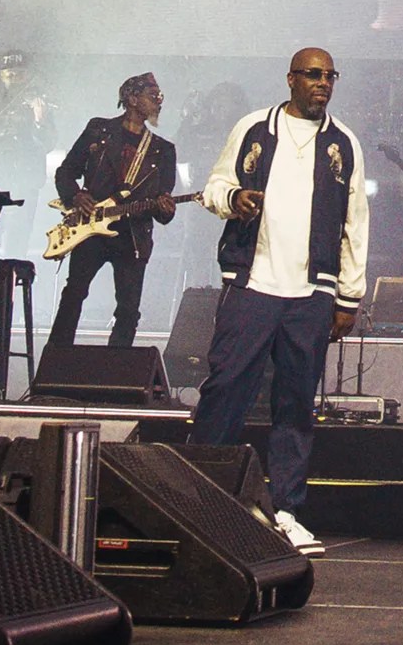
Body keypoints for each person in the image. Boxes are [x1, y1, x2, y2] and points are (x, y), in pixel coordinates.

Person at [192, 50, 370, 555]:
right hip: (252, 284)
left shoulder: (343, 143)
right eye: (313, 75)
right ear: (291, 79)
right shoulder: (254, 129)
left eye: (330, 76)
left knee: (295, 405)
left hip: (311, 292)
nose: (323, 84)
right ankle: (203, 502)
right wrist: (233, 200)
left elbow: (355, 222)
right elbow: (214, 187)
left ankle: (286, 511)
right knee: (225, 389)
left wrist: (348, 294)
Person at [47, 73, 182, 354]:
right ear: (132, 98)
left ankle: (115, 369)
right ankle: (56, 361)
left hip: (132, 235)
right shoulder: (99, 131)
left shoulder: (163, 150)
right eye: (152, 95)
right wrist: (76, 196)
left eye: (160, 96)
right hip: (91, 228)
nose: (158, 101)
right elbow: (66, 171)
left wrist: (166, 209)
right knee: (74, 294)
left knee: (129, 307)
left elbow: (163, 206)